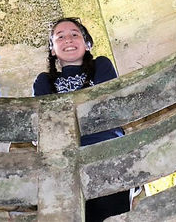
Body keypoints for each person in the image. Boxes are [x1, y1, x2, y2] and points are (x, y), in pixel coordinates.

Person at [33, 18, 131, 221]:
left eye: (75, 34)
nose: (68, 39)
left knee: (110, 215)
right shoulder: (44, 81)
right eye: (60, 36)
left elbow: (107, 107)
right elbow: (43, 127)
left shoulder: (100, 65)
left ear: (87, 44)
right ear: (52, 50)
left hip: (108, 155)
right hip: (65, 163)